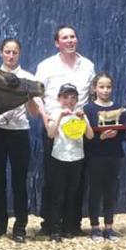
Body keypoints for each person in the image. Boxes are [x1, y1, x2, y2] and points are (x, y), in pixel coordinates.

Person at [34, 25, 95, 236]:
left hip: (78, 128)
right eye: (65, 37)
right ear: (56, 43)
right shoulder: (46, 66)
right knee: (53, 178)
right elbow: (36, 94)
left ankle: (73, 224)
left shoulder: (87, 65)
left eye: (73, 37)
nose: (70, 40)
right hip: (55, 126)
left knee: (77, 179)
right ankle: (50, 224)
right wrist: (44, 117)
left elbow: (93, 95)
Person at [0, 38, 39, 244]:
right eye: (7, 51)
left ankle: (20, 228)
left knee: (19, 182)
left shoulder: (27, 78)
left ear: (20, 54)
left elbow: (33, 113)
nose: (10, 55)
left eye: (14, 52)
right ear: (1, 53)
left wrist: (31, 96)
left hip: (19, 133)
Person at [83, 72, 126, 242]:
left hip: (114, 155)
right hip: (95, 156)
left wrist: (116, 135)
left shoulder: (119, 108)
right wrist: (100, 138)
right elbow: (85, 137)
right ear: (95, 88)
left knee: (111, 191)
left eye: (108, 87)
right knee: (95, 190)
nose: (105, 90)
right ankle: (95, 227)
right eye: (101, 87)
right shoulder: (88, 110)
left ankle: (109, 227)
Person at [45, 83, 94, 242]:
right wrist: (60, 116)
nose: (69, 101)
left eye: (73, 97)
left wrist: (84, 119)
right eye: (65, 97)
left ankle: (68, 228)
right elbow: (51, 134)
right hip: (59, 158)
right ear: (59, 98)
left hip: (76, 158)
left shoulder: (81, 114)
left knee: (72, 195)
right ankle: (55, 230)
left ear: (77, 99)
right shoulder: (54, 113)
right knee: (57, 195)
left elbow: (91, 136)